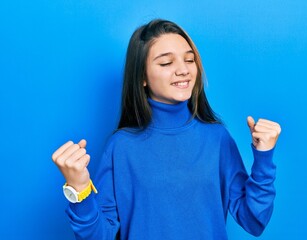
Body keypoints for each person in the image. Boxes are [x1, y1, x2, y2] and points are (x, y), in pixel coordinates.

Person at [52, 19, 281, 240]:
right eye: (166, 63)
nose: (183, 70)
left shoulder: (217, 138)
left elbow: (254, 221)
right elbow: (99, 236)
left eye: (189, 60)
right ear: (142, 76)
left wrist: (264, 158)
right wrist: (79, 188)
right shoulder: (121, 147)